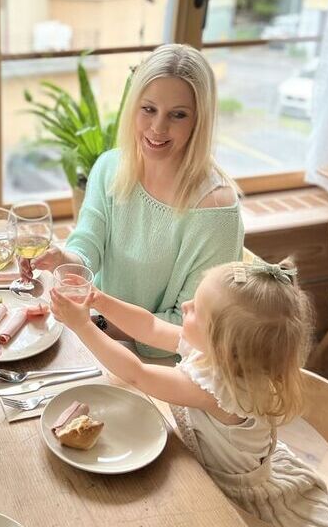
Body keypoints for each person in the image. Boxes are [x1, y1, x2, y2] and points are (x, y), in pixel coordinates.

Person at [50, 259, 328, 527]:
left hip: (232, 494)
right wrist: (100, 299)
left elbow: (137, 374)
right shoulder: (216, 354)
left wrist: (83, 326)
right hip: (201, 464)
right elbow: (150, 325)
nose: (186, 305)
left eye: (197, 310)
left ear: (224, 346)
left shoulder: (220, 389)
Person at [23, 43, 243, 358]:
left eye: (178, 115)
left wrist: (94, 323)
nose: (157, 127)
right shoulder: (110, 166)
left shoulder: (215, 209)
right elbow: (87, 251)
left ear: (199, 120)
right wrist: (60, 259)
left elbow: (187, 331)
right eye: (149, 109)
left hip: (165, 367)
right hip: (96, 340)